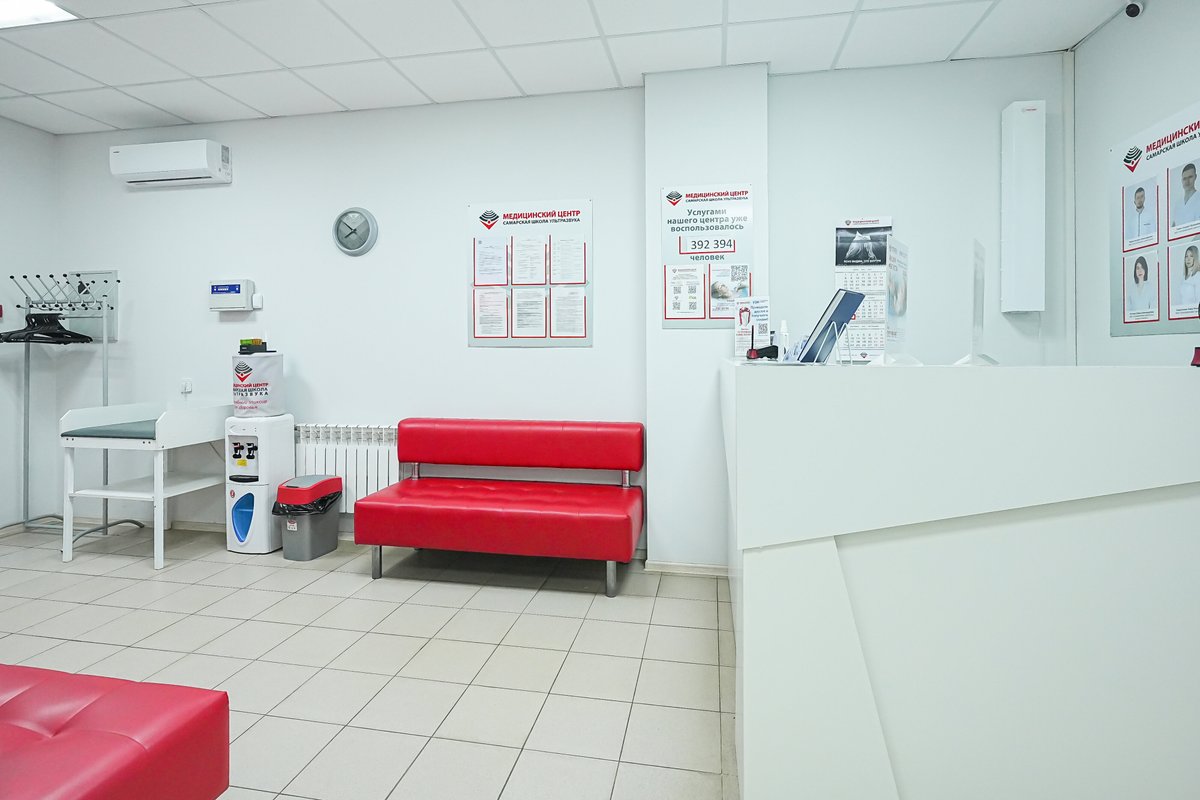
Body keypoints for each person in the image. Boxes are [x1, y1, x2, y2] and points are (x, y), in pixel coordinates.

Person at [1172, 163, 1200, 229]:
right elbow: (1173, 227)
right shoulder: (1178, 204)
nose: (1187, 182)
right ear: (1181, 180)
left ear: (1195, 177)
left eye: (1190, 177)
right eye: (1184, 179)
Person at [1179, 245, 1200, 309]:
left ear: (1195, 258)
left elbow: (1198, 300)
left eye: (1191, 256)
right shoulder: (1183, 278)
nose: (1188, 259)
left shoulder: (1198, 276)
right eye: (1186, 256)